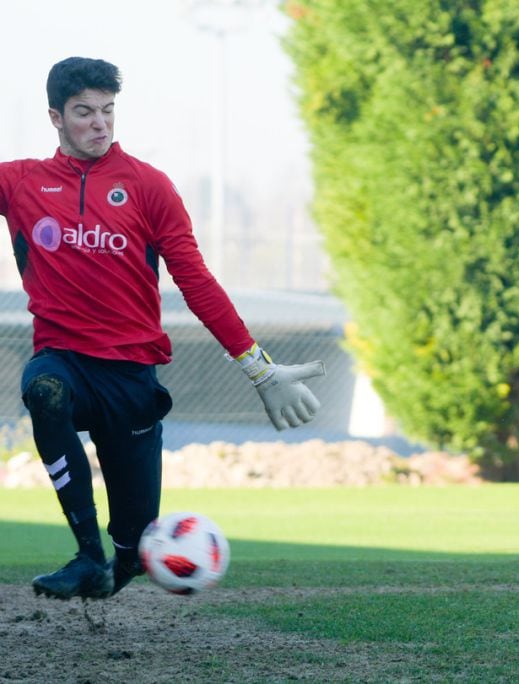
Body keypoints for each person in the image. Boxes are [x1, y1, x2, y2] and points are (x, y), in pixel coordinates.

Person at [0, 57, 326, 600]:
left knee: (133, 555)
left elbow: (196, 281)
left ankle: (113, 561)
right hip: (64, 358)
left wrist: (259, 369)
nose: (100, 123)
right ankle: (85, 553)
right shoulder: (20, 182)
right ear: (56, 117)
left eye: (108, 110)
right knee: (44, 390)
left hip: (131, 376)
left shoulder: (149, 187)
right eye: (84, 112)